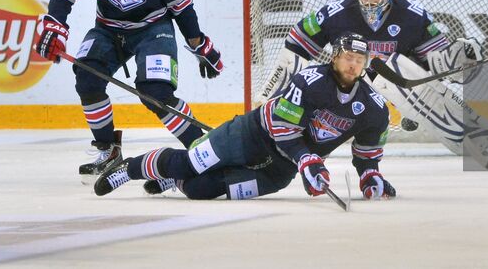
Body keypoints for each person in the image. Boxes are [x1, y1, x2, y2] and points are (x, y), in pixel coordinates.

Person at [33, 0, 224, 183]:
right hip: (108, 28)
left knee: (155, 94)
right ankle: (108, 150)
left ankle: (201, 151)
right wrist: (54, 23)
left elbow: (181, 6)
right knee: (88, 78)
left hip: (153, 29)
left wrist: (198, 42)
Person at [94, 33, 394, 201]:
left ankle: (176, 180)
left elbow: (368, 150)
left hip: (278, 172)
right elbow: (283, 129)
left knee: (202, 190)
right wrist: (307, 160)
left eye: (359, 60)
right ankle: (130, 169)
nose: (353, 65)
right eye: (347, 58)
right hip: (252, 134)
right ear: (335, 57)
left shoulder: (373, 107)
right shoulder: (310, 81)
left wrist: (370, 176)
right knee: (190, 161)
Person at [269, 0, 484, 158]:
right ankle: (275, 123)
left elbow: (435, 60)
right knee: (292, 62)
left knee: (395, 66)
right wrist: (288, 86)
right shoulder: (336, 13)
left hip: (393, 83)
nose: (369, 1)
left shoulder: (412, 14)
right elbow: (297, 43)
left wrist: (459, 58)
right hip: (344, 81)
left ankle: (459, 132)